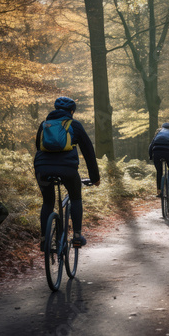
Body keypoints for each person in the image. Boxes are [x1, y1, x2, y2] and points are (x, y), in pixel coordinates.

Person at [34, 96, 100, 251]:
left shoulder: (44, 125)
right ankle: (77, 237)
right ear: (72, 111)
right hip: (68, 170)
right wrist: (95, 178)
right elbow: (88, 152)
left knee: (48, 202)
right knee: (76, 198)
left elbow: (38, 146)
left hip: (42, 169)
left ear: (56, 109)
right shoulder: (74, 125)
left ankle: (44, 241)